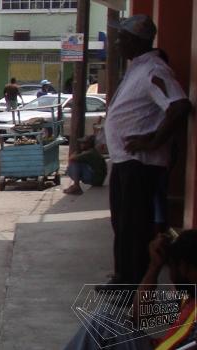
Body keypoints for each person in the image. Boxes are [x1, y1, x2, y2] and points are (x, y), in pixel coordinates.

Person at [106, 15, 194, 285]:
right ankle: (123, 277)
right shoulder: (138, 68)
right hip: (126, 161)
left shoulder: (154, 69)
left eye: (122, 38)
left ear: (136, 40)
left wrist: (152, 141)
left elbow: (178, 106)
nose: (117, 43)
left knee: (134, 227)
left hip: (140, 163)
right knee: (123, 224)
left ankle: (133, 282)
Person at [63, 231, 197, 350]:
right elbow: (139, 316)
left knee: (103, 321)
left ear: (184, 268)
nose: (171, 277)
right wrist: (154, 267)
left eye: (172, 267)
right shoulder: (188, 298)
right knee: (105, 320)